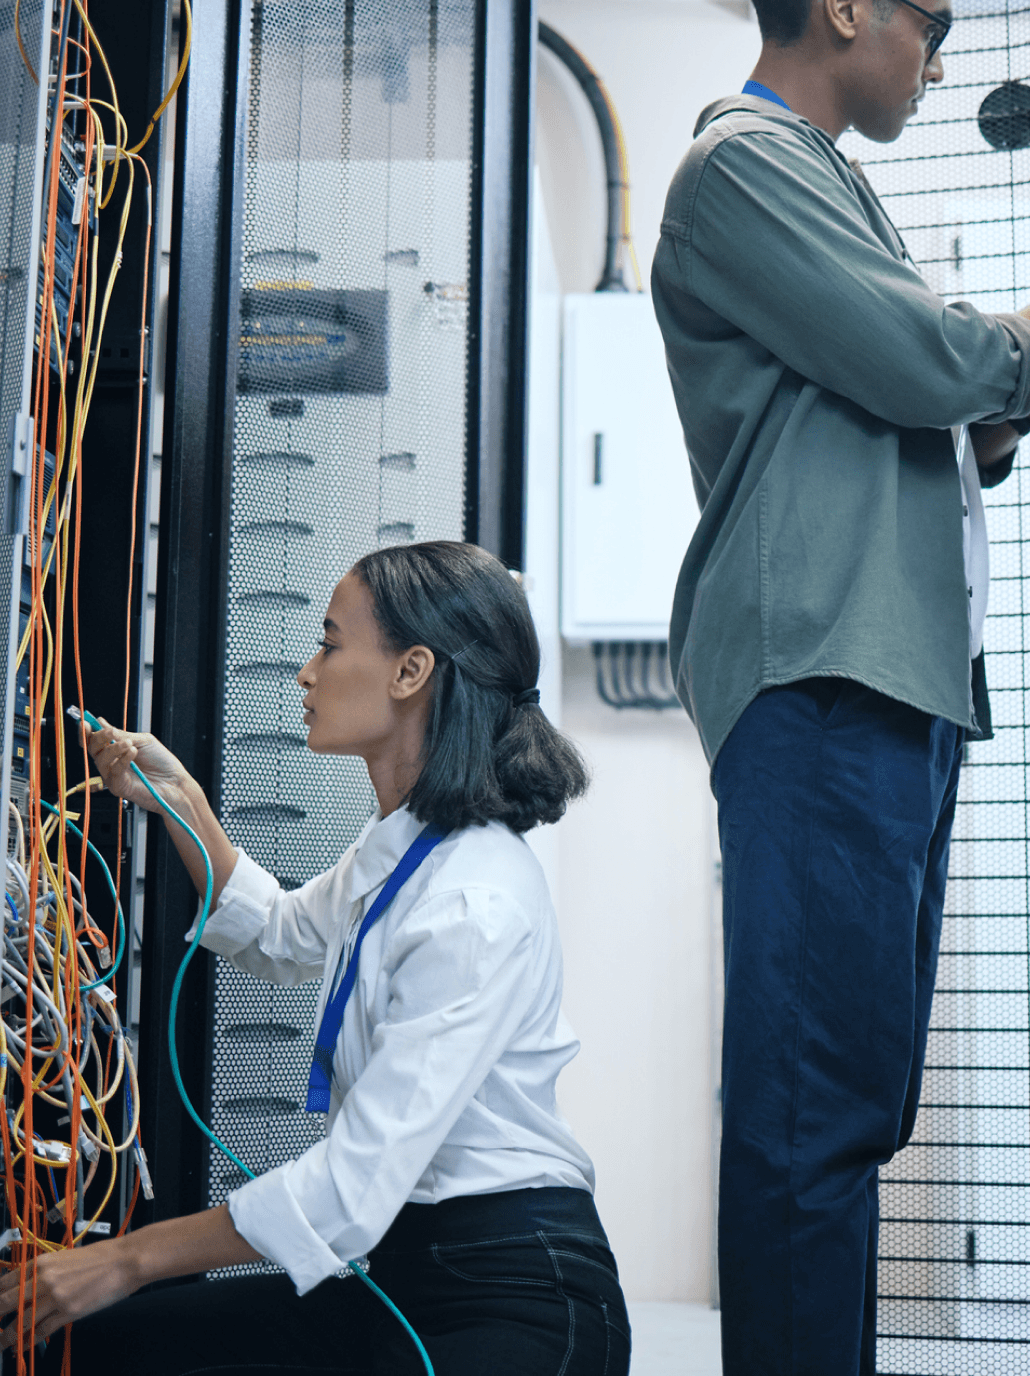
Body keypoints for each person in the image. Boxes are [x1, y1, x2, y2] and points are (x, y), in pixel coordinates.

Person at [650, 0, 1030, 1376]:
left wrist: (1021, 391)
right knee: (809, 1113)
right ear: (842, 3)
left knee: (849, 1106)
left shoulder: (826, 184)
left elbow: (910, 408)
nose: (935, 57)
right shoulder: (742, 164)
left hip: (888, 678)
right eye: (929, 25)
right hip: (823, 676)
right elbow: (916, 358)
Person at [0, 541, 630, 1376]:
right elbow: (283, 933)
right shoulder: (405, 847)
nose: (306, 671)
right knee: (114, 1349)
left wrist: (122, 1260)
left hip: (516, 1292)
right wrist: (180, 798)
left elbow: (347, 1188)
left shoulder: (473, 901)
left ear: (411, 672)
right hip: (403, 1277)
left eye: (330, 643)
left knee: (122, 1309)